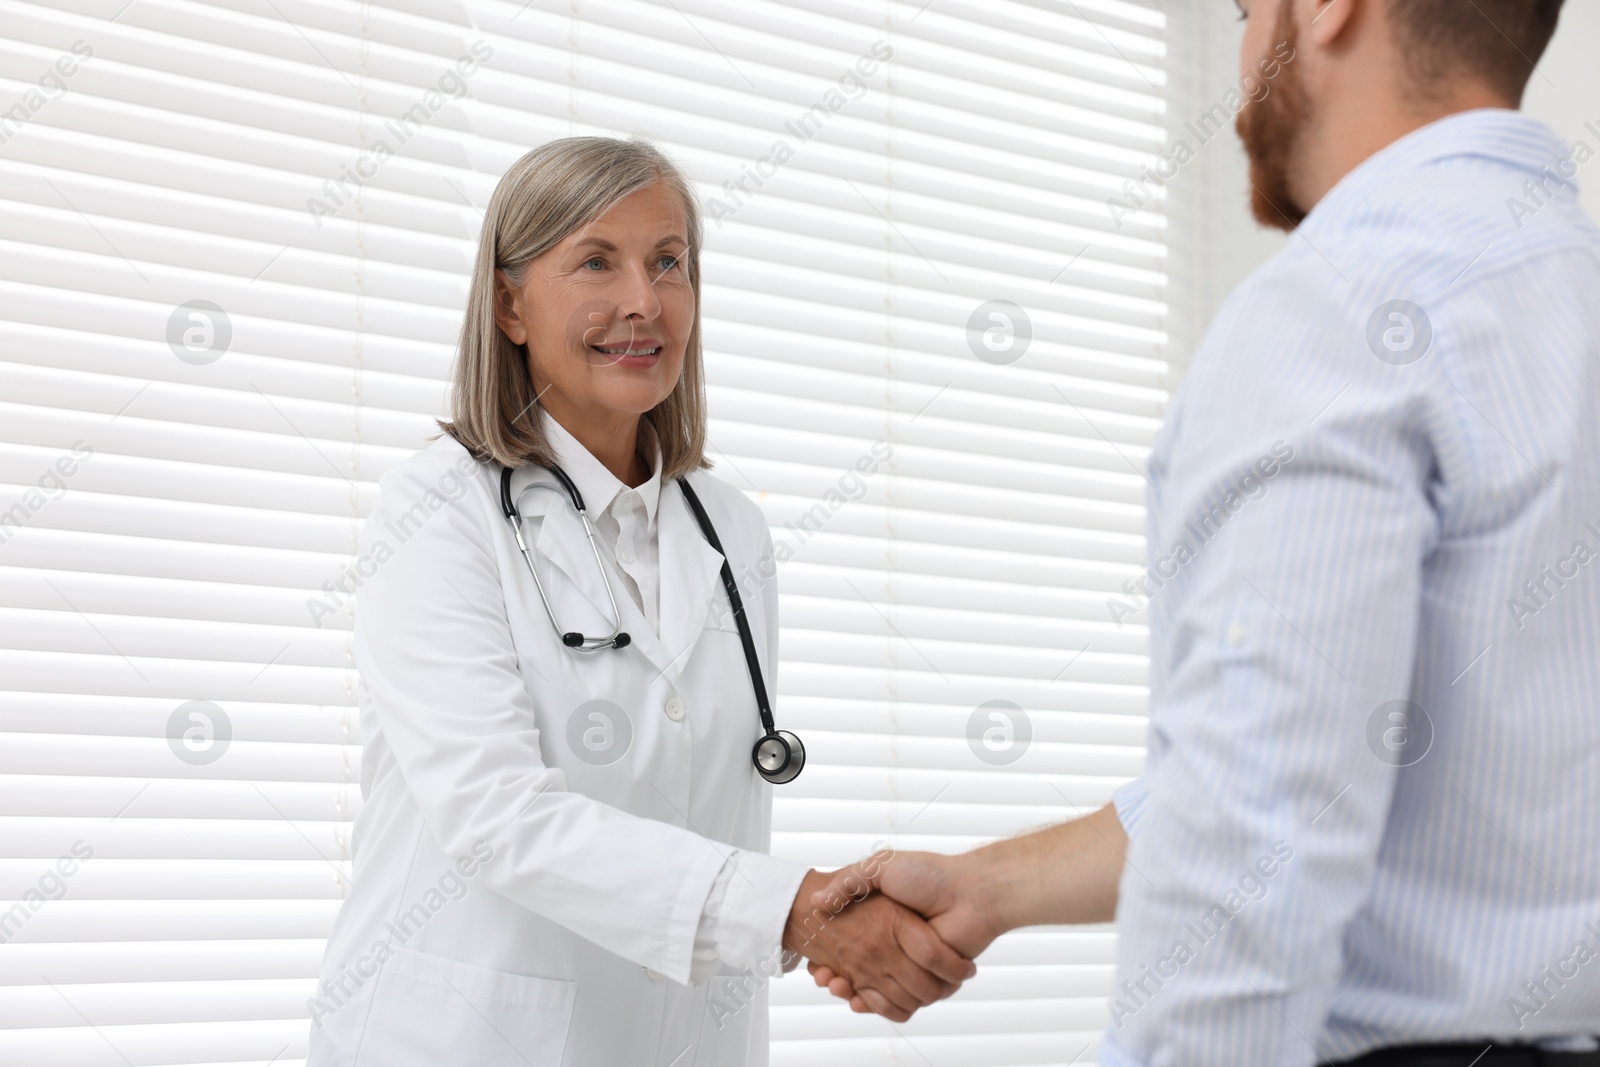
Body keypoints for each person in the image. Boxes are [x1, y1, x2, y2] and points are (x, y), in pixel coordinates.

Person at [811, 0, 1600, 1064]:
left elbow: (1253, 847)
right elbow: (1385, 757)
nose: (1237, 58)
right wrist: (986, 887)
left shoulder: (1342, 309)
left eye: (1238, 11)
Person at [304, 136, 972, 1067]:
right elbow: (495, 814)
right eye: (594, 261)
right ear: (509, 304)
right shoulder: (439, 509)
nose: (644, 303)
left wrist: (822, 917)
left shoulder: (730, 527)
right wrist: (794, 910)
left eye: (669, 262)